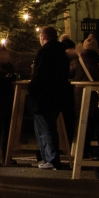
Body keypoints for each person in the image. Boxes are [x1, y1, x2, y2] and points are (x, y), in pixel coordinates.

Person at [28, 28, 74, 169]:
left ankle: (51, 158)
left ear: (42, 37)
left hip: (43, 95)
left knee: (45, 129)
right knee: (49, 127)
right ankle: (49, 158)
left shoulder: (44, 51)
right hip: (58, 94)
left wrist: (32, 87)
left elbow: (40, 74)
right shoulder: (62, 51)